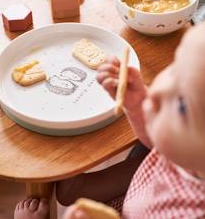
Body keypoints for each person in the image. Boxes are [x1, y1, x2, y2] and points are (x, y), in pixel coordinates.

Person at [14, 22, 205, 219]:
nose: (158, 92)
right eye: (175, 69)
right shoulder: (189, 150)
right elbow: (160, 142)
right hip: (143, 187)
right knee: (67, 190)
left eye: (182, 106)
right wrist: (136, 103)